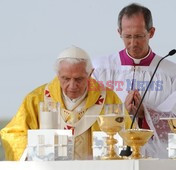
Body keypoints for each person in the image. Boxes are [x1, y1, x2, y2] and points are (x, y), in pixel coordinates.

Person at [93, 3, 176, 158]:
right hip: (112, 154)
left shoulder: (173, 73)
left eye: (139, 36)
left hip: (157, 156)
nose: (133, 43)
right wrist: (121, 112)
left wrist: (146, 113)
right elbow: (89, 115)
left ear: (151, 32)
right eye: (127, 36)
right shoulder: (100, 69)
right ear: (119, 32)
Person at [0, 46, 131, 160]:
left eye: (79, 79)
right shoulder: (36, 99)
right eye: (66, 78)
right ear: (58, 74)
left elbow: (128, 132)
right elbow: (14, 133)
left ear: (90, 73)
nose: (72, 85)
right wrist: (30, 156)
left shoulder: (108, 98)